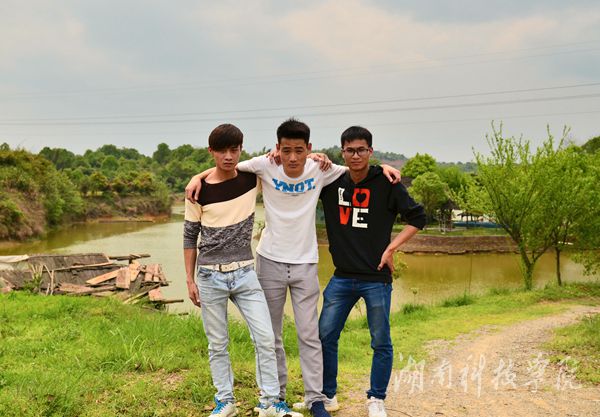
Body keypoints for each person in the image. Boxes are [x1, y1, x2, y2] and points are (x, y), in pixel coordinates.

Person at [186, 119, 401, 417]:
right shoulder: (264, 165)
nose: (292, 158)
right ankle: (276, 397)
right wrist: (197, 176)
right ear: (277, 148)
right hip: (269, 261)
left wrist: (384, 168)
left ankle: (316, 399)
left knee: (309, 335)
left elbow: (357, 168)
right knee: (270, 336)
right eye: (286, 150)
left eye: (299, 151)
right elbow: (226, 165)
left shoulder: (321, 169)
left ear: (309, 149)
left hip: (305, 263)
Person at [318, 126, 426, 417]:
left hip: (376, 277)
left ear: (370, 151)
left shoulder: (386, 182)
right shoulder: (330, 181)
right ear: (342, 152)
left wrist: (391, 248)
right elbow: (298, 172)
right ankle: (327, 395)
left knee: (381, 341)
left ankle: (376, 398)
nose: (356, 155)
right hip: (342, 276)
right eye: (350, 150)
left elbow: (418, 217)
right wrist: (316, 157)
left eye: (361, 150)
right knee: (324, 336)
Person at [183, 124, 287, 417]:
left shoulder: (252, 179)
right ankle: (225, 402)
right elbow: (189, 237)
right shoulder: (198, 192)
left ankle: (270, 403)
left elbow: (292, 159)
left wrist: (317, 156)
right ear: (211, 152)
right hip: (209, 275)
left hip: (244, 273)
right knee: (217, 344)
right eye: (222, 151)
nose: (228, 156)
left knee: (265, 338)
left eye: (234, 150)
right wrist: (189, 279)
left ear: (241, 149)